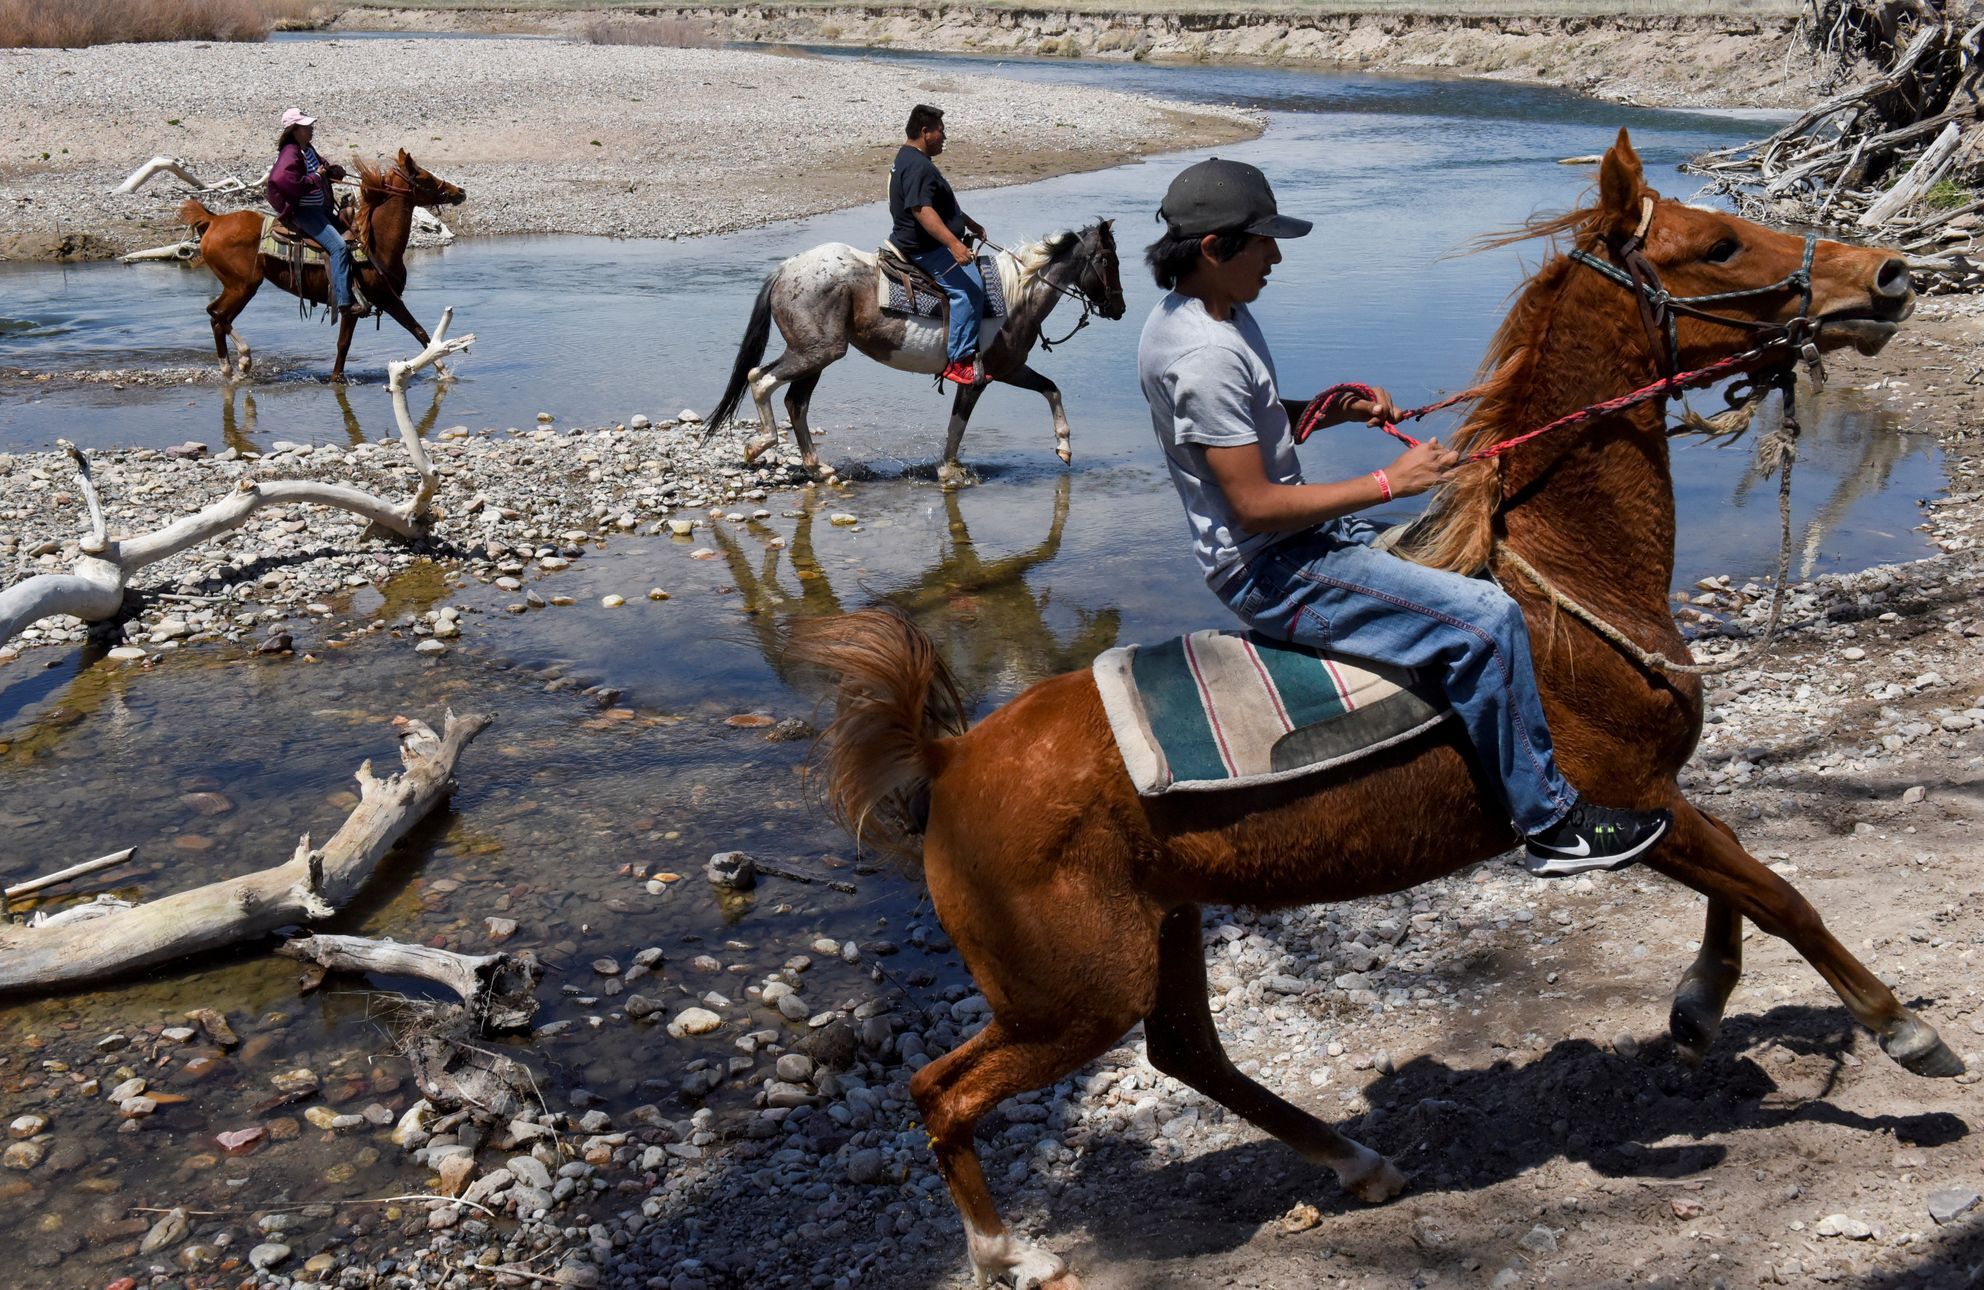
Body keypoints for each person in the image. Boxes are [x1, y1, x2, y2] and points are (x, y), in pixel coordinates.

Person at [1136, 157, 1670, 876]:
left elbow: (1250, 425)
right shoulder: (1203, 356)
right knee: (1487, 621)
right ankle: (1551, 826)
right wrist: (1391, 481)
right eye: (1263, 242)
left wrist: (1328, 409)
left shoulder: (1208, 314)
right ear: (1214, 249)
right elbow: (1254, 506)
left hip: (1299, 542)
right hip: (1277, 569)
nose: (1276, 255)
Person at [888, 103, 988, 386]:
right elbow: (922, 211)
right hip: (924, 248)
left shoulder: (909, 157)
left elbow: (939, 206)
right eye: (940, 131)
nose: (944, 137)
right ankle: (958, 361)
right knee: (970, 292)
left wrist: (969, 223)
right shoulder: (919, 166)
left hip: (920, 241)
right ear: (925, 132)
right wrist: (955, 245)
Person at [267, 107, 366, 320]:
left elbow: (321, 168)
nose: (311, 129)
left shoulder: (307, 148)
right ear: (294, 129)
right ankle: (345, 302)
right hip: (305, 213)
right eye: (306, 127)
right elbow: (280, 180)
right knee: (338, 247)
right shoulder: (290, 153)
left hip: (320, 209)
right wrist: (315, 178)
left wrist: (332, 171)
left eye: (310, 126)